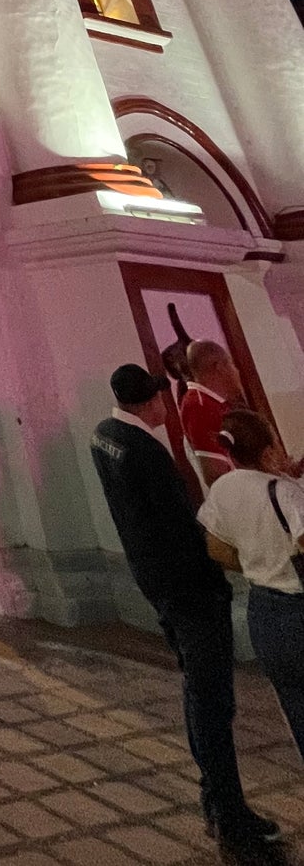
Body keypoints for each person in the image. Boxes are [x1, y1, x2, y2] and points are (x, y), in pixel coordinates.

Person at [91, 363, 281, 858]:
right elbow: (180, 524)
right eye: (161, 400)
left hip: (157, 582)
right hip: (189, 589)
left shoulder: (104, 435)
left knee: (200, 692)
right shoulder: (144, 451)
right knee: (213, 701)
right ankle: (229, 813)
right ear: (151, 401)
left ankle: (215, 799)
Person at [199, 409, 304, 762]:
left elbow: (217, 548)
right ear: (267, 451)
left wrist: (259, 563)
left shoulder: (223, 487)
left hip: (263, 610)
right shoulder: (286, 494)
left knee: (296, 707)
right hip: (297, 606)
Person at [181, 340, 245, 487]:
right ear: (220, 367)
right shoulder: (199, 406)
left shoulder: (214, 404)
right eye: (232, 364)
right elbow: (217, 478)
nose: (237, 371)